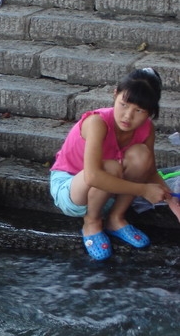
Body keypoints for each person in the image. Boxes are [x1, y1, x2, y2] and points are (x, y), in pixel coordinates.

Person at [50, 68, 180, 261]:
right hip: (71, 189)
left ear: (150, 113)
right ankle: (92, 222)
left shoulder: (146, 129)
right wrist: (143, 190)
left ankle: (115, 218)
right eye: (124, 104)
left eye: (139, 110)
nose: (128, 116)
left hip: (107, 191)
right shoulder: (97, 122)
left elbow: (150, 171)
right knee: (110, 167)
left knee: (141, 156)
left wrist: (173, 203)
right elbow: (92, 176)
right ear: (115, 94)